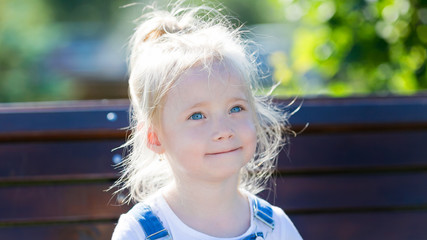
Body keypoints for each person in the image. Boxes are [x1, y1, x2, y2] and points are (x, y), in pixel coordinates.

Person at [111, 1, 302, 239]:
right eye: (197, 115)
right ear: (155, 137)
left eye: (236, 108)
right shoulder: (140, 232)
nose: (223, 130)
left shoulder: (275, 226)